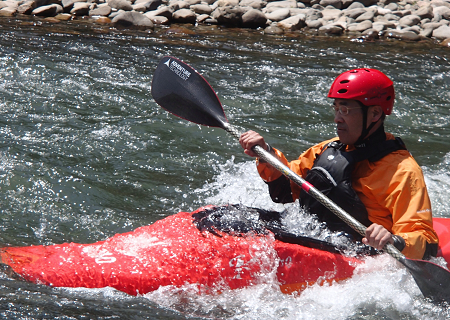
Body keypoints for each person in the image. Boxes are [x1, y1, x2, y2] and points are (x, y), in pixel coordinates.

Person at [239, 68, 439, 260]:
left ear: (375, 114)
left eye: (345, 110)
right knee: (226, 217)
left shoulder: (403, 171)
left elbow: (426, 242)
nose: (337, 119)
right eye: (336, 109)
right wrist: (266, 153)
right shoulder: (328, 149)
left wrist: (394, 240)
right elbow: (285, 191)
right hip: (310, 234)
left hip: (354, 253)